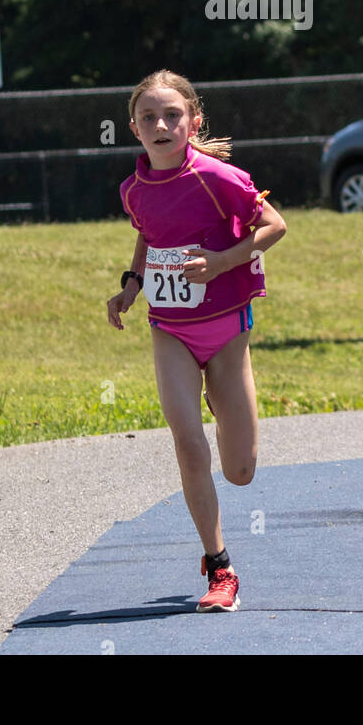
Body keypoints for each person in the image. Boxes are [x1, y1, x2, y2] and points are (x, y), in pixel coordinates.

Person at [107, 69, 287, 612]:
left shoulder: (219, 178)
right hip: (171, 332)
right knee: (188, 445)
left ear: (193, 121)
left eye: (172, 116)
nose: (160, 125)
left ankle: (223, 393)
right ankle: (220, 566)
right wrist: (131, 286)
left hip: (227, 331)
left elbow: (274, 225)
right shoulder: (133, 190)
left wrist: (223, 262)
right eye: (148, 118)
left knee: (240, 471)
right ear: (134, 128)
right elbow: (148, 235)